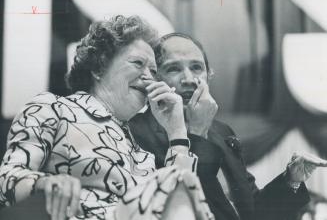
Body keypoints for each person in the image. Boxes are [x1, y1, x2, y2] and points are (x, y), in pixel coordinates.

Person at [0, 17, 214, 220]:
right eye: (138, 63)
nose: (149, 77)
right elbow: (6, 178)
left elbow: (177, 199)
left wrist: (176, 132)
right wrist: (44, 184)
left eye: (153, 70)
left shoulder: (139, 147)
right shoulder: (52, 108)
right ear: (99, 66)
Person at [129, 32, 327, 220]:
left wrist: (291, 180)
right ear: (155, 79)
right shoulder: (136, 133)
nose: (188, 79)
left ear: (209, 75)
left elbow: (253, 211)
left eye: (197, 68)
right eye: (174, 68)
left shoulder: (222, 131)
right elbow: (181, 207)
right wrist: (198, 132)